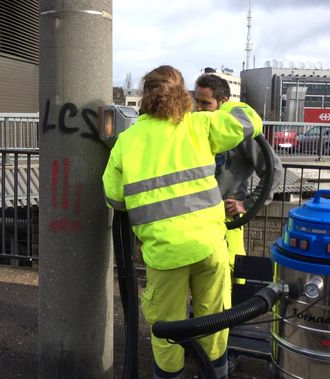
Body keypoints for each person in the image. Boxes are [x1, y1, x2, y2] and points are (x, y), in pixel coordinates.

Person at [102, 65, 263, 379]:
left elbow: (115, 197)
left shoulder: (127, 141)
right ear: (183, 94)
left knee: (167, 326)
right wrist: (227, 102)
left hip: (166, 254)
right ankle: (216, 373)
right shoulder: (200, 125)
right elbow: (250, 121)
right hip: (210, 247)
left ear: (145, 97)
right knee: (214, 319)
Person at [194, 73, 283, 284]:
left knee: (231, 275)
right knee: (204, 278)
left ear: (223, 102)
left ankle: (231, 315)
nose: (199, 108)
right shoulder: (197, 128)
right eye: (196, 101)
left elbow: (274, 170)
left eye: (205, 103)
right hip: (199, 218)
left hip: (226, 220)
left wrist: (248, 204)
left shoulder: (238, 131)